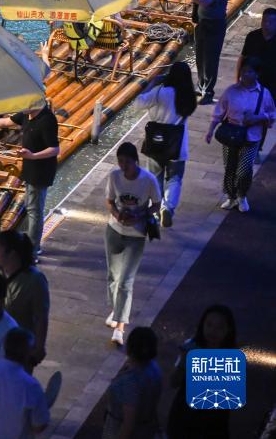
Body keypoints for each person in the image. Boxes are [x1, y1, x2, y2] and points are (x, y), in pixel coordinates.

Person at [0, 103, 59, 258]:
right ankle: (32, 244)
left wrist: (33, 156)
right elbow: (6, 122)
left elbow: (55, 149)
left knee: (35, 210)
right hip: (29, 166)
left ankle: (33, 250)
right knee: (31, 207)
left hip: (41, 170)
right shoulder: (26, 114)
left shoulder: (47, 120)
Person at [104, 142, 161, 345]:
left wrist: (139, 215)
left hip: (136, 235)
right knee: (113, 277)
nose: (123, 166)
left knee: (125, 281)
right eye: (120, 162)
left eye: (127, 162)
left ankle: (120, 327)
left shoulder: (148, 180)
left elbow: (156, 204)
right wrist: (116, 214)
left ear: (135, 161)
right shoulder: (114, 176)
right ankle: (116, 310)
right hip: (114, 231)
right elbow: (109, 201)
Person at [206, 57, 276, 212]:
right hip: (231, 135)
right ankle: (231, 197)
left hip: (251, 136)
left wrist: (259, 117)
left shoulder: (264, 94)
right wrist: (210, 130)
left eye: (249, 72)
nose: (245, 75)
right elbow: (219, 112)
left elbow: (271, 115)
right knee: (229, 167)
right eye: (243, 71)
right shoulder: (231, 91)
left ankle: (242, 195)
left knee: (244, 169)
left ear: (257, 74)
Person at [135, 61, 197, 228]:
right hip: (178, 144)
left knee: (155, 177)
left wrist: (152, 83)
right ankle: (168, 207)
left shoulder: (160, 92)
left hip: (156, 142)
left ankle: (156, 209)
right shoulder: (188, 95)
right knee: (175, 178)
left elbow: (138, 103)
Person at [166, 305, 237, 439]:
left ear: (228, 330)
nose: (213, 331)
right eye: (209, 324)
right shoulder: (191, 346)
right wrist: (184, 361)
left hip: (213, 422)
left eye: (220, 327)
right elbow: (173, 382)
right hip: (184, 416)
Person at [0, 231, 49, 371]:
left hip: (18, 350)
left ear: (12, 254)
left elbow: (41, 317)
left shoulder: (35, 280)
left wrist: (39, 347)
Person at [179, 0, 228, 104]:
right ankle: (201, 87)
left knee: (210, 59)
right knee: (200, 57)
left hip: (214, 25)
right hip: (202, 23)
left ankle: (208, 91)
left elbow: (206, 2)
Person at [103, 327, 162, 439]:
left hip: (118, 429)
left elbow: (129, 423)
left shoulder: (130, 381)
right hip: (146, 428)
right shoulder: (154, 367)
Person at [238, 7, 276, 151]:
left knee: (262, 116)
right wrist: (237, 79)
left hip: (270, 86)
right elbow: (242, 58)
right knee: (245, 111)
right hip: (249, 83)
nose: (267, 25)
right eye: (264, 21)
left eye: (270, 22)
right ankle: (243, 141)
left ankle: (256, 146)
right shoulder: (252, 37)